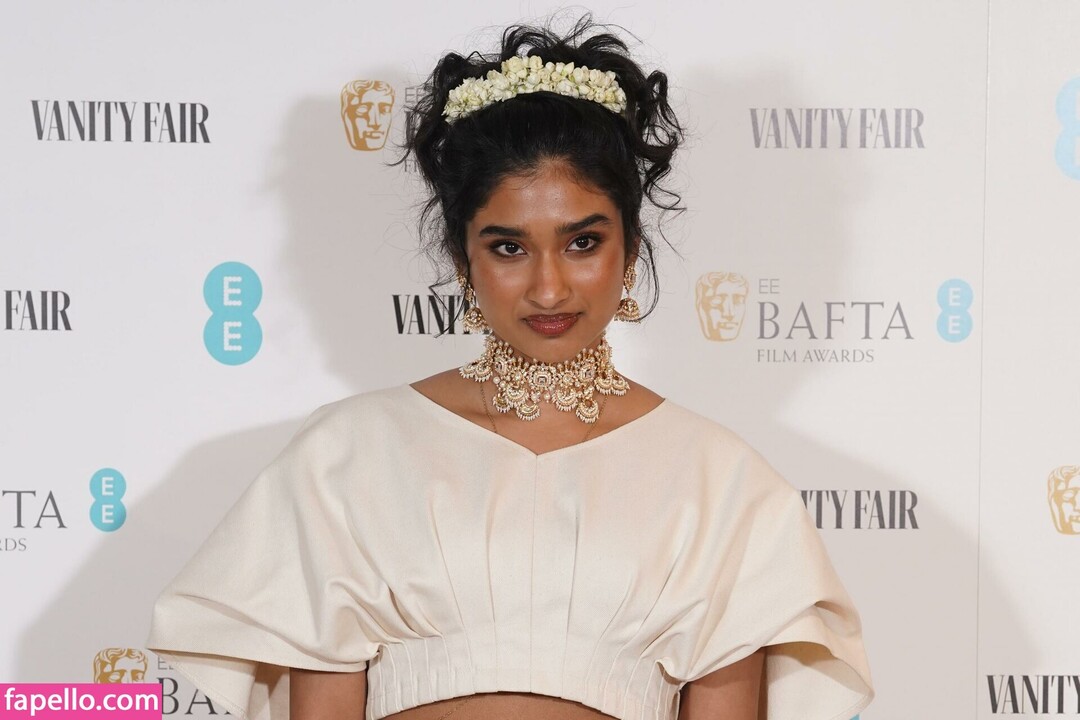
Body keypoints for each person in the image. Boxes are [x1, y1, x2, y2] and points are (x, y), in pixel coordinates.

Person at [146, 14, 874, 720]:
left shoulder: (723, 483)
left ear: (630, 249)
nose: (548, 288)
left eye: (582, 243)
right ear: (462, 260)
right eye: (509, 247)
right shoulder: (348, 454)